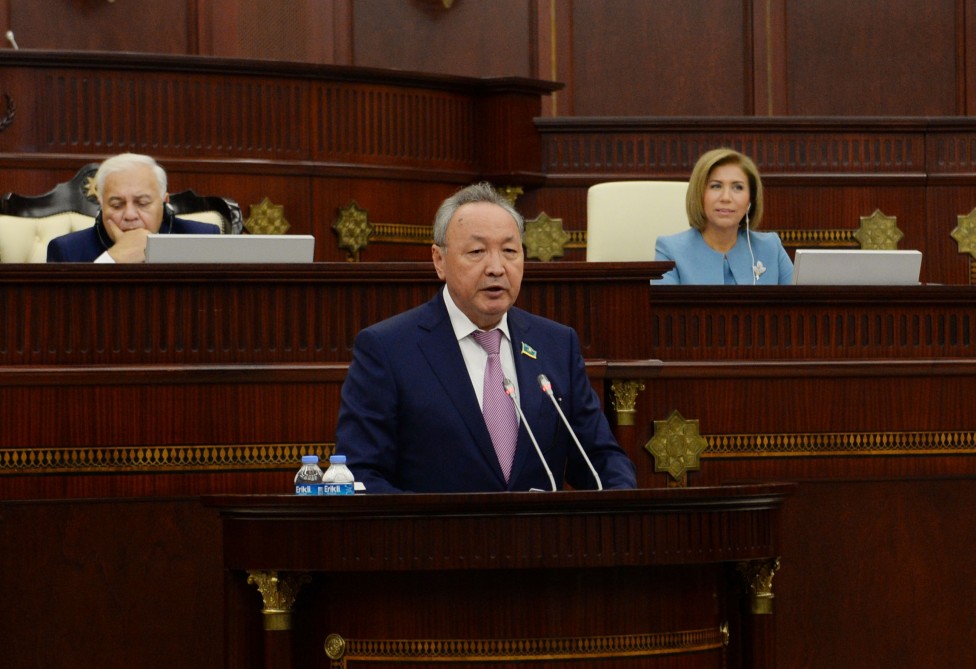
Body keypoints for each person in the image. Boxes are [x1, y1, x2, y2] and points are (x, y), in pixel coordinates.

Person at [336, 182, 637, 493]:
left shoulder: (556, 345)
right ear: (439, 260)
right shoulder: (388, 349)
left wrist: (621, 503)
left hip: (541, 526)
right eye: (477, 252)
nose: (496, 268)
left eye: (509, 251)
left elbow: (601, 459)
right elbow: (360, 474)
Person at [654, 148, 793, 285]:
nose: (726, 198)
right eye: (716, 186)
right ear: (699, 195)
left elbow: (799, 298)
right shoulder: (670, 251)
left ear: (750, 200)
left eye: (738, 187)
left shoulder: (771, 247)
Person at [46, 153, 219, 263]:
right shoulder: (67, 251)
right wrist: (112, 259)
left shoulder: (203, 240)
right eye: (117, 205)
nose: (130, 215)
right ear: (102, 205)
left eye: (142, 203)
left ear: (164, 202)